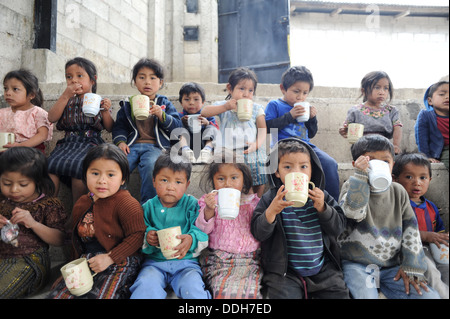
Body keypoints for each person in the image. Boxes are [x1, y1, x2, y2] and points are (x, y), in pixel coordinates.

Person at [338, 135, 440, 299]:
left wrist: (411, 265)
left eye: (386, 161)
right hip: (358, 264)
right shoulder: (352, 185)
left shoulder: (398, 191)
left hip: (390, 266)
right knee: (366, 296)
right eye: (369, 161)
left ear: (393, 164)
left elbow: (411, 228)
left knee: (428, 296)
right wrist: (360, 178)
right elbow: (353, 213)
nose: (378, 165)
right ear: (356, 165)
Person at [251, 137, 350, 299]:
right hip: (285, 272)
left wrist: (323, 208)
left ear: (312, 170)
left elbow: (339, 228)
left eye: (303, 167)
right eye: (288, 167)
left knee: (339, 293)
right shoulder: (271, 199)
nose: (297, 172)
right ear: (277, 171)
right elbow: (258, 233)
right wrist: (271, 212)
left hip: (323, 269)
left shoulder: (320, 196)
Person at [47, 143, 146, 299]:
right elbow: (77, 244)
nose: (102, 180)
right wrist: (69, 270)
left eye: (111, 175)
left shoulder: (126, 203)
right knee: (60, 296)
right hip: (87, 262)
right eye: (95, 173)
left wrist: (109, 258)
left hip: (120, 261)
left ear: (123, 179)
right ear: (85, 175)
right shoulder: (82, 203)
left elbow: (138, 235)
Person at [130, 152, 210, 299]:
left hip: (186, 264)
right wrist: (148, 236)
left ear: (187, 185)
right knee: (145, 287)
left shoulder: (193, 205)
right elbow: (138, 232)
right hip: (154, 264)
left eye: (178, 182)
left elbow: (202, 229)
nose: (171, 187)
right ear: (153, 181)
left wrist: (191, 239)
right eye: (164, 180)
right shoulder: (147, 207)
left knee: (193, 289)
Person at [112, 58, 182, 204]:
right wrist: (121, 142)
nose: (147, 82)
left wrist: (162, 115)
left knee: (151, 166)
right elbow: (120, 126)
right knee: (117, 166)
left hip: (155, 147)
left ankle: (148, 206)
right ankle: (117, 203)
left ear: (161, 82)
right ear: (135, 81)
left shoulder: (164, 103)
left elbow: (177, 128)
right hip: (131, 147)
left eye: (152, 78)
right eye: (142, 77)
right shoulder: (128, 104)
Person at [265, 66, 340, 201]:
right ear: (283, 88)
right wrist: (289, 116)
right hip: (282, 147)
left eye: (305, 93)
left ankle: (332, 204)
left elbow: (311, 133)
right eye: (296, 91)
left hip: (305, 146)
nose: (300, 97)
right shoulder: (275, 105)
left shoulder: (305, 106)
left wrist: (312, 119)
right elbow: (268, 127)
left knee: (330, 164)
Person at [0, 147, 66, 299]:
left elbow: (60, 239)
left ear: (37, 181)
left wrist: (34, 223)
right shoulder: (3, 201)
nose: (14, 190)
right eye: (7, 183)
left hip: (29, 261)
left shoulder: (48, 205)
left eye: (23, 184)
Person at [196, 149, 262, 299]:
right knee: (223, 293)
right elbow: (202, 230)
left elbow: (261, 229)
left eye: (234, 178)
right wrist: (209, 210)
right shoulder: (209, 201)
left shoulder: (254, 203)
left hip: (249, 261)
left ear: (243, 179)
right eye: (221, 178)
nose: (227, 184)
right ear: (213, 180)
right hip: (220, 260)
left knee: (251, 293)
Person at [47, 57, 114, 204]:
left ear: (93, 80)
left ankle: (76, 214)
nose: (74, 80)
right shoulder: (66, 100)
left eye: (79, 76)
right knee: (50, 165)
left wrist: (105, 111)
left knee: (80, 167)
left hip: (90, 142)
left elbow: (110, 128)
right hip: (67, 142)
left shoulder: (98, 101)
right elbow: (51, 117)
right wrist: (65, 96)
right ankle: (49, 207)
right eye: (69, 77)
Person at [201, 67, 267, 198]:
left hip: (249, 149)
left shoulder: (256, 108)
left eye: (250, 90)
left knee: (259, 166)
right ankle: (236, 197)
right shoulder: (224, 106)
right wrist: (225, 107)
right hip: (228, 151)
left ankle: (257, 201)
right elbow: (204, 112)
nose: (246, 94)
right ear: (230, 89)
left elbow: (262, 129)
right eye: (241, 89)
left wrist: (257, 144)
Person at [393, 152, 449, 298]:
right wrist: (425, 235)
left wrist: (443, 238)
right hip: (411, 251)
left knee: (446, 267)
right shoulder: (397, 205)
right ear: (395, 179)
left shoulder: (431, 207)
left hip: (433, 249)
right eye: (409, 177)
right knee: (431, 270)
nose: (417, 182)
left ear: (430, 179)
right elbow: (396, 232)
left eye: (422, 177)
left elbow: (439, 232)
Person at [339, 71, 403, 155]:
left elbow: (397, 127)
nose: (382, 92)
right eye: (377, 87)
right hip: (362, 149)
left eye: (386, 88)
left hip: (384, 148)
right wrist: (344, 131)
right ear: (364, 91)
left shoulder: (391, 111)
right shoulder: (355, 111)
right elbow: (347, 128)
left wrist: (395, 145)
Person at [0, 69, 53, 153]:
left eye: (15, 89)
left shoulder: (37, 113)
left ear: (31, 95)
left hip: (31, 151)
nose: (8, 93)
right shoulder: (2, 113)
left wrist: (20, 146)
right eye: (6, 88)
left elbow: (43, 135)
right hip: (5, 150)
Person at [177, 82, 219, 164]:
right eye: (187, 99)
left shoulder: (208, 115)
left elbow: (217, 130)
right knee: (178, 127)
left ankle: (207, 151)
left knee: (212, 128)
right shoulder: (179, 116)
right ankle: (186, 150)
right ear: (181, 102)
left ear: (203, 102)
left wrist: (207, 123)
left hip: (203, 144)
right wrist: (181, 122)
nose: (191, 102)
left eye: (196, 99)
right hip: (187, 145)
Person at [415, 81, 449, 170]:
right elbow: (421, 138)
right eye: (442, 94)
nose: (447, 97)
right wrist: (426, 156)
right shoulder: (426, 115)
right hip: (442, 151)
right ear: (430, 101)